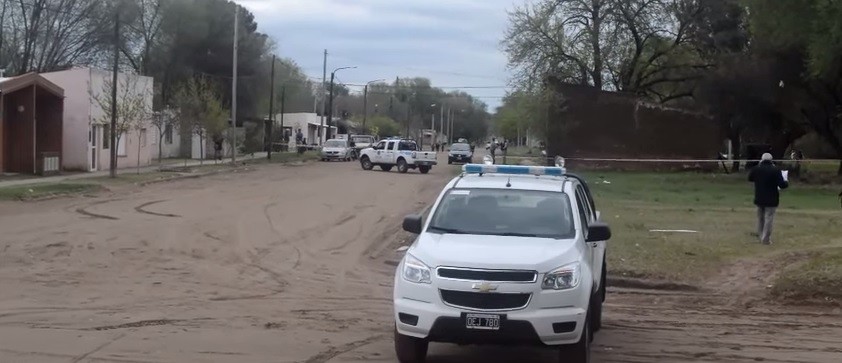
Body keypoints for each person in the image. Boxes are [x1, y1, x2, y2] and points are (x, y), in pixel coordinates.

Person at [748, 153, 789, 245]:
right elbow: (782, 185)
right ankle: (765, 239)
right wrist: (786, 182)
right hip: (772, 198)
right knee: (768, 218)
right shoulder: (775, 170)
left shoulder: (756, 169)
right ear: (771, 160)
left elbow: (750, 178)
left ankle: (760, 235)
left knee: (760, 218)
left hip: (759, 197)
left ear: (762, 159)